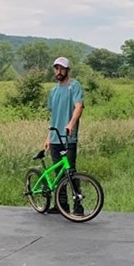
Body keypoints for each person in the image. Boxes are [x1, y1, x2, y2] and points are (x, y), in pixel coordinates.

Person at [46, 56, 85, 214]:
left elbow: (79, 106)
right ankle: (61, 205)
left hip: (68, 137)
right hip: (55, 137)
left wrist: (71, 123)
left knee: (71, 172)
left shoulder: (74, 86)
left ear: (67, 70)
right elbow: (53, 116)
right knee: (59, 173)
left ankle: (78, 205)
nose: (59, 71)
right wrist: (48, 137)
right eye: (57, 68)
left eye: (62, 68)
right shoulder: (53, 91)